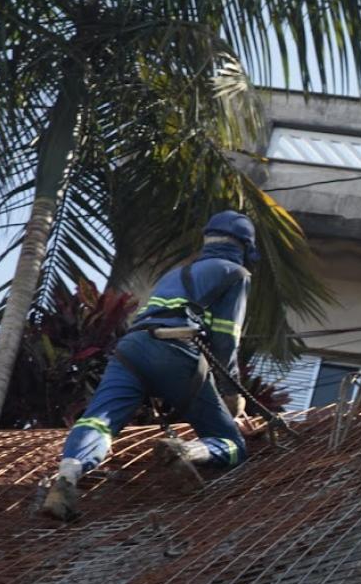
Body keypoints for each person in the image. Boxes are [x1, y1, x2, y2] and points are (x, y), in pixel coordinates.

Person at [41, 211, 258, 521]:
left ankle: (69, 473)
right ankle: (188, 451)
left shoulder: (174, 274)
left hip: (131, 348)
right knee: (232, 445)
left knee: (99, 421)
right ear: (244, 247)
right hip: (175, 351)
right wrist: (231, 394)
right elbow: (226, 339)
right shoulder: (236, 273)